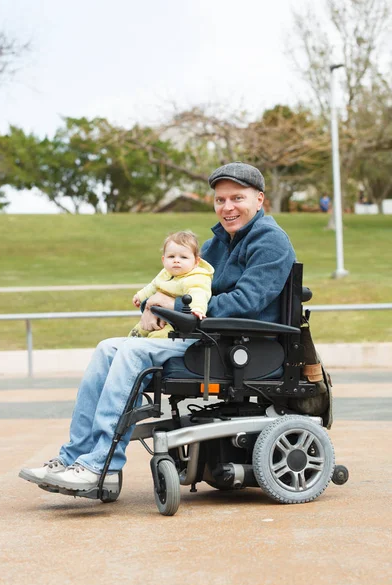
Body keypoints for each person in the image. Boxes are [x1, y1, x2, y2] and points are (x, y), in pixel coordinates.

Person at [19, 161, 296, 496]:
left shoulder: (271, 241)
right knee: (109, 346)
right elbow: (183, 288)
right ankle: (75, 457)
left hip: (241, 348)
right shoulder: (215, 246)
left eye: (237, 198)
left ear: (259, 200)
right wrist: (157, 306)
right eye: (220, 200)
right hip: (204, 338)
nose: (227, 207)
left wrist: (173, 309)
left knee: (133, 352)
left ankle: (100, 467)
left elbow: (247, 301)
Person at [129, 230, 214, 338]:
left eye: (183, 257)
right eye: (171, 256)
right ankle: (129, 343)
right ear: (164, 260)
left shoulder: (196, 278)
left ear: (196, 262)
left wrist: (197, 309)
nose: (176, 260)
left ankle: (146, 348)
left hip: (176, 322)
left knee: (159, 336)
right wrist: (140, 296)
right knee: (136, 331)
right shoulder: (165, 273)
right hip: (157, 315)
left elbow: (199, 294)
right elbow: (153, 286)